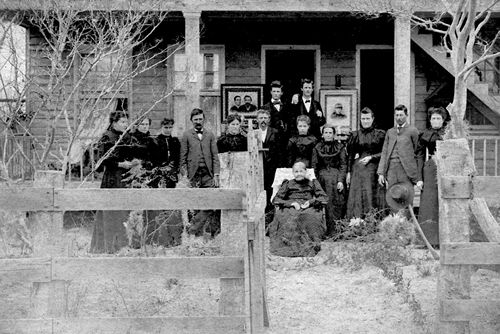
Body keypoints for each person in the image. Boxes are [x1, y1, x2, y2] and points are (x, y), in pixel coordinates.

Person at [90, 111, 139, 253]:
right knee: (110, 211)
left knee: (124, 211)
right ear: (114, 122)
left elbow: (133, 152)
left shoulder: (126, 136)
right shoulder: (107, 137)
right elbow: (102, 159)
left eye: (126, 122)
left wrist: (133, 161)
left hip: (125, 176)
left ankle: (123, 245)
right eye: (123, 122)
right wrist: (119, 165)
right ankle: (107, 246)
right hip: (112, 177)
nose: (126, 124)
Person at [269, 161, 328, 257]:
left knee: (310, 217)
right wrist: (291, 203)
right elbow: (276, 199)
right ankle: (289, 248)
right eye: (296, 172)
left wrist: (310, 202)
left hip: (308, 206)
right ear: (293, 173)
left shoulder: (312, 183)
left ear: (306, 172)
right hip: (291, 206)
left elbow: (323, 198)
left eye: (301, 171)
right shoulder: (288, 183)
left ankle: (310, 247)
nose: (299, 174)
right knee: (288, 216)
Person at [180, 108, 221, 236]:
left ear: (204, 120)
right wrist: (184, 176)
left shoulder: (210, 135)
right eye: (196, 119)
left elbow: (215, 156)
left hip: (208, 175)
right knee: (194, 204)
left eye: (200, 119)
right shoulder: (187, 135)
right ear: (191, 120)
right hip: (193, 175)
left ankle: (192, 229)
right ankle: (196, 237)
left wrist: (216, 175)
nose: (198, 121)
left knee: (211, 203)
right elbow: (183, 158)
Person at [346, 107, 387, 219]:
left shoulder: (380, 134)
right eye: (363, 119)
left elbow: (385, 152)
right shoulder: (355, 135)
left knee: (370, 193)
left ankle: (372, 220)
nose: (365, 121)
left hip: (374, 168)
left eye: (368, 118)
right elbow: (350, 155)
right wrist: (349, 172)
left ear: (373, 119)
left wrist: (371, 157)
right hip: (358, 168)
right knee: (358, 194)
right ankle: (357, 222)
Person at [416, 107, 447, 246]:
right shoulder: (424, 134)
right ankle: (428, 240)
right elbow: (419, 156)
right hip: (429, 170)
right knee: (428, 204)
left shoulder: (448, 133)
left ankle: (442, 239)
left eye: (438, 118)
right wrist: (419, 178)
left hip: (445, 169)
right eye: (433, 118)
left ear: (443, 120)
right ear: (430, 120)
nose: (435, 121)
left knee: (443, 203)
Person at [377, 104, 420, 198]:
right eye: (397, 115)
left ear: (406, 115)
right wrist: (381, 172)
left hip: (406, 169)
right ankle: (394, 214)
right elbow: (384, 152)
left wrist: (416, 174)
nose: (399, 118)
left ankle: (406, 213)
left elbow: (417, 151)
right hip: (391, 169)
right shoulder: (390, 132)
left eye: (401, 115)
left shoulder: (413, 131)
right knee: (393, 196)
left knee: (406, 197)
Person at [312, 124, 347, 237]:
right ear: (322, 134)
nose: (328, 135)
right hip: (322, 178)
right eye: (326, 132)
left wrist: (341, 180)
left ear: (334, 135)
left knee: (337, 202)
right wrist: (316, 183)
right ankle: (323, 231)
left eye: (330, 133)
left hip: (336, 177)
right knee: (324, 202)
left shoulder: (340, 147)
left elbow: (343, 164)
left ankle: (336, 230)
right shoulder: (317, 147)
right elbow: (315, 166)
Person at [256, 109, 281, 220]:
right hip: (258, 167)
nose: (263, 120)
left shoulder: (275, 132)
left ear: (269, 120)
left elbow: (280, 151)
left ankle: (270, 217)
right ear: (257, 120)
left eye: (265, 118)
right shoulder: (253, 133)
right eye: (261, 118)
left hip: (272, 167)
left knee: (270, 190)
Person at [262, 80, 292, 166]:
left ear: (281, 93)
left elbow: (290, 122)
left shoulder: (287, 106)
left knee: (283, 161)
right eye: (274, 91)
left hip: (284, 139)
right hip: (271, 139)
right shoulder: (265, 107)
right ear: (271, 92)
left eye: (278, 91)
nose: (276, 93)